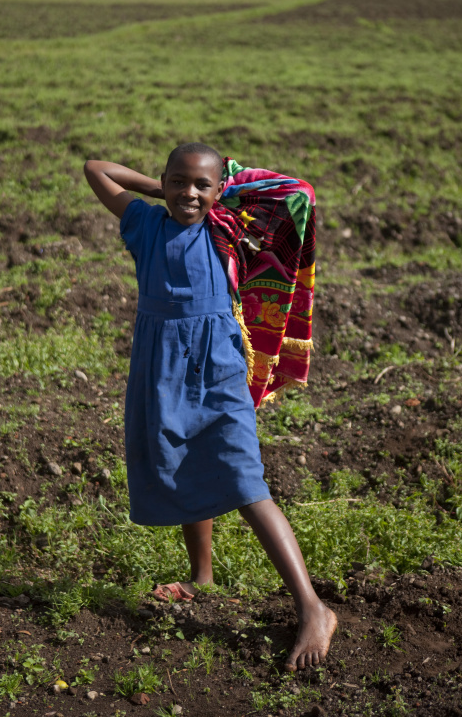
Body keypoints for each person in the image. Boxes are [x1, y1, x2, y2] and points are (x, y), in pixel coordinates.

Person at [84, 143, 337, 671]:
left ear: (220, 190)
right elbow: (96, 169)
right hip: (160, 367)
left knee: (245, 481)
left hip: (218, 368)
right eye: (179, 181)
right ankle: (202, 578)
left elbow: (298, 192)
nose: (189, 193)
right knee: (179, 457)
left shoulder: (227, 231)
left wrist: (226, 187)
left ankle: (312, 607)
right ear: (162, 182)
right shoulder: (145, 225)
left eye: (201, 185)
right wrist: (161, 191)